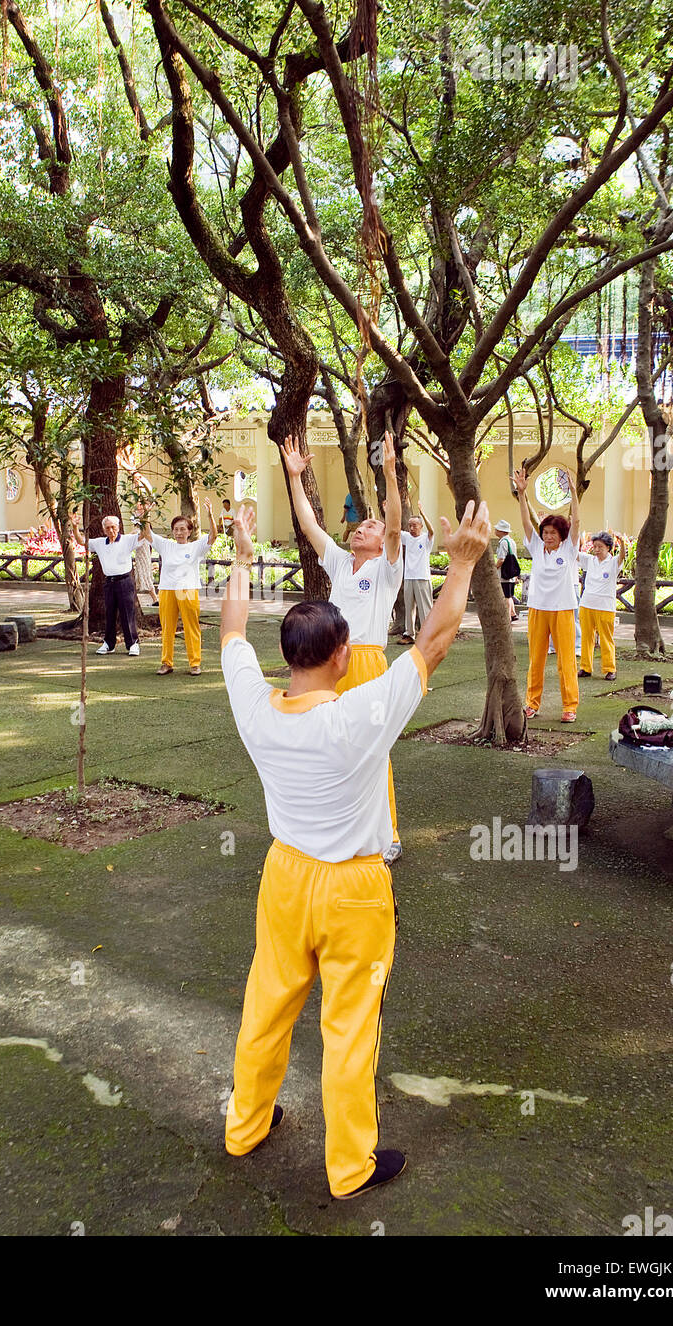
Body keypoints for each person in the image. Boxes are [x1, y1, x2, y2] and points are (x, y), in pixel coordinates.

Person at [220, 498, 491, 1198]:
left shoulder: (254, 706)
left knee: (266, 1003)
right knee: (348, 1028)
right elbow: (433, 640)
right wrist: (460, 560)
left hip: (283, 877)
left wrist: (242, 560)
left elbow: (229, 634)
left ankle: (244, 1125)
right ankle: (349, 1168)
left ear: (288, 655)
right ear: (344, 655)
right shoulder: (362, 714)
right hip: (354, 890)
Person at [281, 432, 404, 861]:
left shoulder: (388, 569)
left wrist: (388, 473)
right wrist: (296, 477)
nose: (362, 528)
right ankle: (334, 823)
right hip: (331, 659)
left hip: (367, 661)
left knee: (373, 747)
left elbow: (394, 530)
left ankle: (388, 834)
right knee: (329, 740)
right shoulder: (339, 562)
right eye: (361, 524)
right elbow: (310, 526)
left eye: (371, 525)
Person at [513, 465, 582, 722]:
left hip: (563, 609)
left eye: (553, 533)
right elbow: (524, 520)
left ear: (561, 535)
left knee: (566, 661)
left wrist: (573, 494)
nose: (548, 536)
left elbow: (577, 522)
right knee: (536, 659)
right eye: (545, 532)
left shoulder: (569, 549)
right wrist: (522, 494)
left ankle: (569, 706)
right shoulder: (536, 546)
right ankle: (532, 703)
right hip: (538, 609)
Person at [140, 499, 218, 675]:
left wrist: (210, 515)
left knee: (191, 626)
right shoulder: (166, 545)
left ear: (189, 531)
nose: (179, 532)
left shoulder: (196, 546)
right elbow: (146, 532)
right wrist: (146, 513)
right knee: (167, 627)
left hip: (188, 589)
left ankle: (195, 663)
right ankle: (166, 663)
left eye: (183, 529)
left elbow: (213, 535)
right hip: (167, 589)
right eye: (176, 529)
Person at [87, 515, 142, 657]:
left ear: (118, 527)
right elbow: (82, 542)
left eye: (113, 527)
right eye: (108, 528)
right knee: (109, 613)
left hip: (125, 581)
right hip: (109, 582)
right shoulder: (100, 543)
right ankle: (109, 644)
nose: (111, 530)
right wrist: (74, 527)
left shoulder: (127, 540)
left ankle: (133, 644)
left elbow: (144, 535)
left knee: (127, 613)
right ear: (104, 529)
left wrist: (143, 518)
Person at [578, 531, 625, 681]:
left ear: (608, 548)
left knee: (606, 638)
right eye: (595, 546)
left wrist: (622, 542)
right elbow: (573, 553)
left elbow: (622, 557)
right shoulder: (590, 560)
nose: (597, 549)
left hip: (605, 606)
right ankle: (585, 667)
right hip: (586, 604)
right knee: (586, 637)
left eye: (600, 547)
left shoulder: (613, 562)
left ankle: (610, 669)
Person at [399, 507, 435, 643]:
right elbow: (394, 528)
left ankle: (428, 635)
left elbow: (432, 531)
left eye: (414, 525)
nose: (411, 528)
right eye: (410, 525)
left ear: (421, 526)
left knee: (425, 608)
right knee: (409, 607)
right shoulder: (407, 537)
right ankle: (409, 634)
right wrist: (386, 510)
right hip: (409, 577)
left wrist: (424, 514)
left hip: (422, 577)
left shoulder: (426, 538)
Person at [494, 518, 520, 622]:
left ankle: (507, 617)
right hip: (511, 574)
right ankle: (513, 614)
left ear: (501, 531)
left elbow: (501, 559)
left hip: (504, 574)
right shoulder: (511, 541)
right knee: (509, 594)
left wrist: (494, 568)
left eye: (496, 529)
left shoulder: (503, 542)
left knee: (506, 596)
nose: (495, 531)